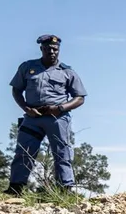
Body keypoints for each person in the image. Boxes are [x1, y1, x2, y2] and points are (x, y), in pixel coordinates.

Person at [7, 34, 87, 195]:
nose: (52, 51)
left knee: (62, 152)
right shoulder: (27, 67)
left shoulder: (67, 72)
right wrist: (26, 108)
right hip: (32, 117)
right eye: (48, 48)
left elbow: (79, 98)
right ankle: (15, 188)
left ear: (59, 50)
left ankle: (65, 189)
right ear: (41, 49)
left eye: (55, 49)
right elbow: (16, 90)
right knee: (24, 151)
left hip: (57, 118)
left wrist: (61, 108)